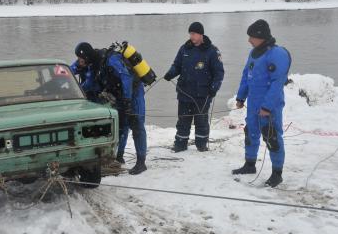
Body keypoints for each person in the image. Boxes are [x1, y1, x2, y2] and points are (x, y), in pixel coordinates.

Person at [72, 42, 148, 175]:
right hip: (119, 94)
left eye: (80, 58)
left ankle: (141, 162)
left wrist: (127, 100)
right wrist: (74, 91)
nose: (79, 61)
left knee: (137, 126)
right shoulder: (93, 64)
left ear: (86, 56)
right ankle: (118, 158)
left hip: (134, 92)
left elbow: (126, 77)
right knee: (121, 126)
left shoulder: (111, 60)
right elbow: (88, 83)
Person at [232, 19, 291, 188]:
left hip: (269, 107)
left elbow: (277, 83)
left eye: (251, 37)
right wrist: (241, 97)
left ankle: (277, 174)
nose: (249, 40)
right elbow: (246, 76)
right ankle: (249, 165)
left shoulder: (276, 54)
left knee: (272, 137)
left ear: (261, 36)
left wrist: (267, 107)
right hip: (253, 104)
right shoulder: (253, 53)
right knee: (250, 133)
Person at [163, 22, 224, 152]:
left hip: (203, 94)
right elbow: (176, 65)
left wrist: (214, 88)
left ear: (201, 34)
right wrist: (170, 73)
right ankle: (180, 145)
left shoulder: (212, 51)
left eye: (194, 34)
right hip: (184, 92)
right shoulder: (184, 48)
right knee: (183, 121)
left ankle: (201, 146)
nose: (191, 36)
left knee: (201, 122)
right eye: (190, 34)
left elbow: (219, 73)